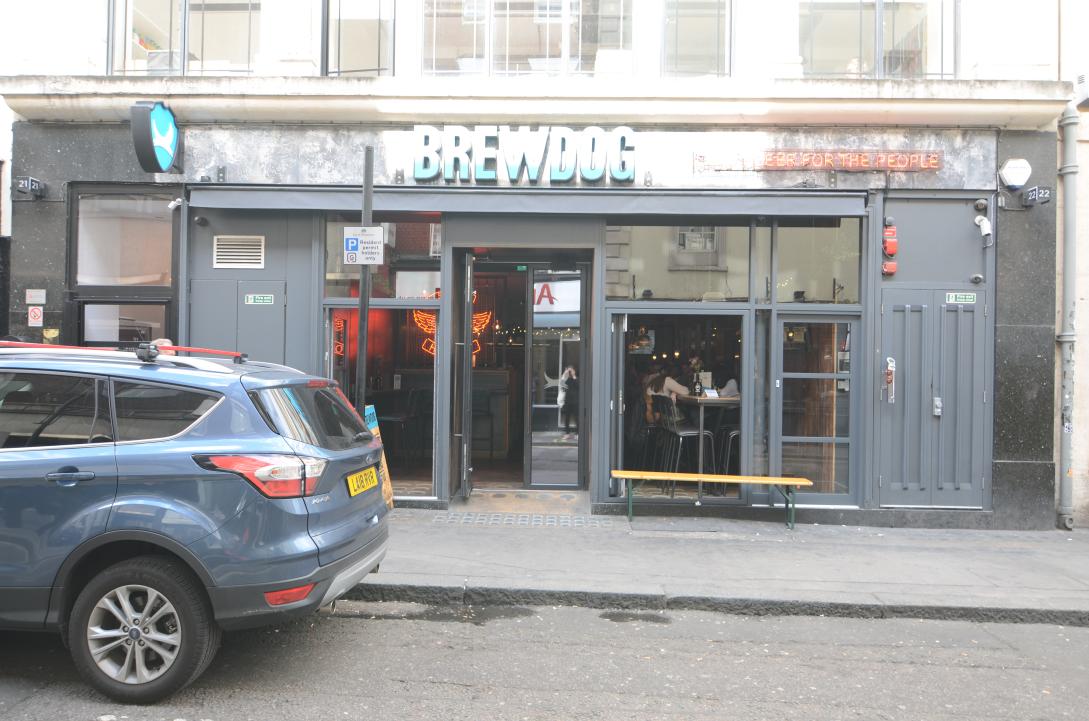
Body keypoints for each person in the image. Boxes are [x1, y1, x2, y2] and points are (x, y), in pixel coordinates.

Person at [560, 364, 579, 440]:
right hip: (567, 401)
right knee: (567, 418)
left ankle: (577, 433)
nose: (570, 372)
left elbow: (579, 386)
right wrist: (565, 374)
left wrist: (574, 376)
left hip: (576, 401)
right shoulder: (566, 379)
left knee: (577, 418)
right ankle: (567, 433)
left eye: (571, 370)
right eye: (569, 370)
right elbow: (561, 385)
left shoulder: (576, 378)